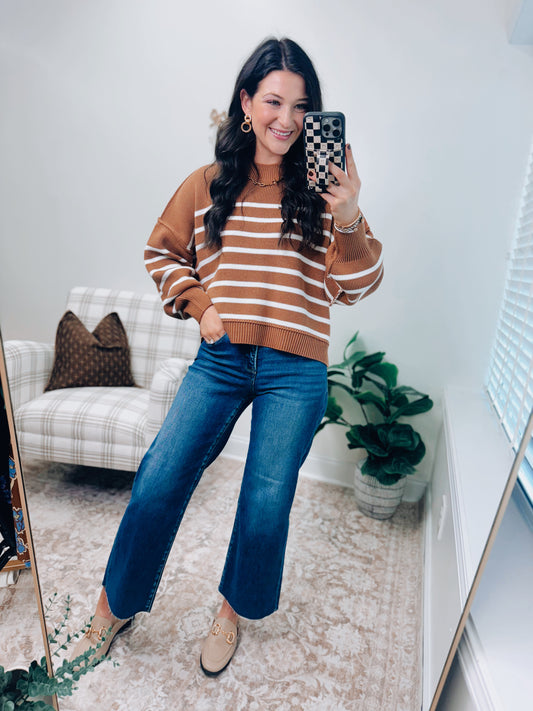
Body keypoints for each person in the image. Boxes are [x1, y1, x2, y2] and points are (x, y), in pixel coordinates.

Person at [71, 36, 383, 676]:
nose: (286, 119)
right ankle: (113, 607)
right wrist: (204, 309)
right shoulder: (207, 185)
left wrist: (350, 214)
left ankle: (231, 611)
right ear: (246, 103)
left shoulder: (324, 194)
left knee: (265, 503)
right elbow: (161, 253)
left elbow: (357, 285)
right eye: (273, 101)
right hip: (221, 359)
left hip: (295, 371)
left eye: (301, 107)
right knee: (159, 477)